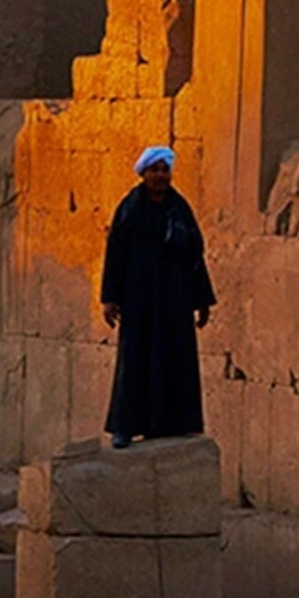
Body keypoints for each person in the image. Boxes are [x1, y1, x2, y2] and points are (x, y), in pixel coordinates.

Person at [99, 144, 215, 447]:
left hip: (174, 298)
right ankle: (125, 427)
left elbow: (194, 255)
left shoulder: (179, 209)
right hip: (138, 297)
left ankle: (171, 424)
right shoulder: (130, 209)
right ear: (144, 173)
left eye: (165, 170)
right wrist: (109, 298)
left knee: (175, 358)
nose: (160, 176)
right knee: (136, 358)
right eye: (155, 170)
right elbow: (115, 253)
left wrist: (201, 299)